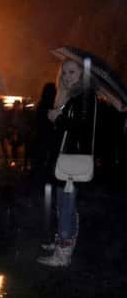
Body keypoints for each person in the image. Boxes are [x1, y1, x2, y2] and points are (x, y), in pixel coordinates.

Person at [37, 60, 97, 267]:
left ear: (82, 73)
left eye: (72, 72)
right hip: (63, 157)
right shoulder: (69, 95)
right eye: (64, 72)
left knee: (67, 204)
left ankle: (63, 253)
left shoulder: (86, 96)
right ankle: (63, 243)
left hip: (74, 158)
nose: (67, 76)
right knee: (64, 202)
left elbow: (83, 127)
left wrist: (58, 119)